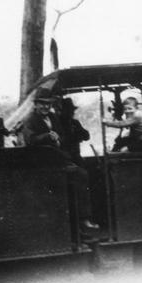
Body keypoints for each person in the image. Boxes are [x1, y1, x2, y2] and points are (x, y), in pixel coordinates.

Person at [22, 89, 99, 234]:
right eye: (42, 104)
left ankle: (82, 221)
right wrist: (47, 136)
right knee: (80, 176)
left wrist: (59, 139)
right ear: (36, 104)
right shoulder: (30, 120)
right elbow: (30, 139)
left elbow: (62, 136)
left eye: (48, 104)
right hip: (43, 162)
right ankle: (82, 221)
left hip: (59, 158)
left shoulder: (53, 117)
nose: (45, 107)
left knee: (82, 175)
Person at [59, 97, 90, 164]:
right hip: (63, 157)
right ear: (63, 111)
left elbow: (87, 136)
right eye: (69, 110)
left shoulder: (75, 122)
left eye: (72, 110)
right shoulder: (57, 122)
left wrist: (78, 135)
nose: (72, 112)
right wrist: (76, 137)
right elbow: (63, 139)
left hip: (76, 156)